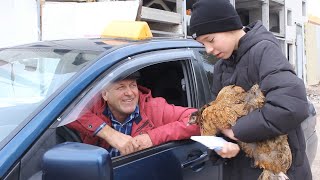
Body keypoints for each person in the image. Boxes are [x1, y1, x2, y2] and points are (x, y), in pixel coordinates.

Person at [189, 0, 312, 179]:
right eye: (203, 44)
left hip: (278, 170)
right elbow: (222, 117)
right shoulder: (220, 68)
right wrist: (222, 144)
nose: (208, 49)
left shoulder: (264, 51)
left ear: (228, 26)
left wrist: (237, 131)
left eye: (210, 40)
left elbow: (291, 105)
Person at [67, 71, 200, 157]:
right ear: (105, 95)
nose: (130, 93)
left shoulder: (155, 108)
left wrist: (151, 138)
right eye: (121, 87)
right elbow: (64, 109)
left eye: (133, 85)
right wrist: (109, 134)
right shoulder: (93, 107)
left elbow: (201, 119)